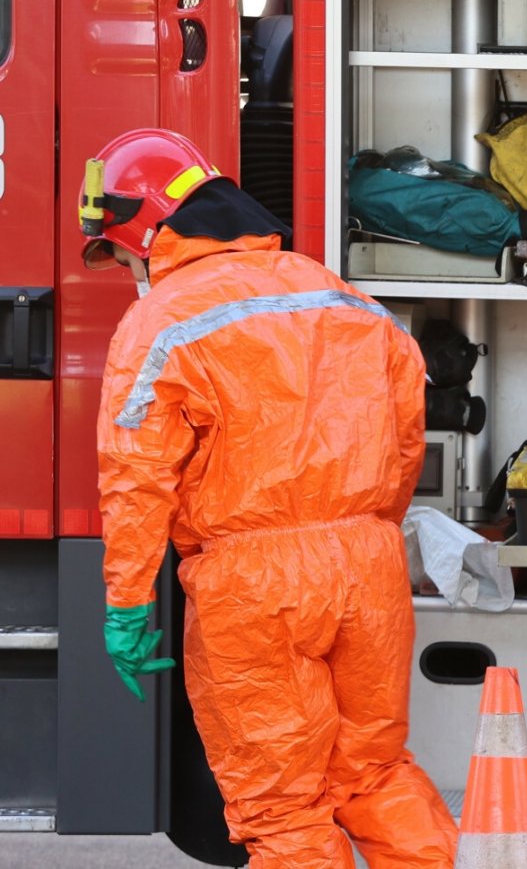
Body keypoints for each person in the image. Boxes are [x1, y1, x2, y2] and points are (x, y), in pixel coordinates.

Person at [80, 128, 458, 868]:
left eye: (124, 255)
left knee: (282, 807)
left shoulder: (158, 324)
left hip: (252, 587)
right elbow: (406, 430)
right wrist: (365, 530)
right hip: (367, 568)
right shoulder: (337, 292)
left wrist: (127, 607)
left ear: (147, 227)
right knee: (375, 773)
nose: (130, 272)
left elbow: (135, 477)